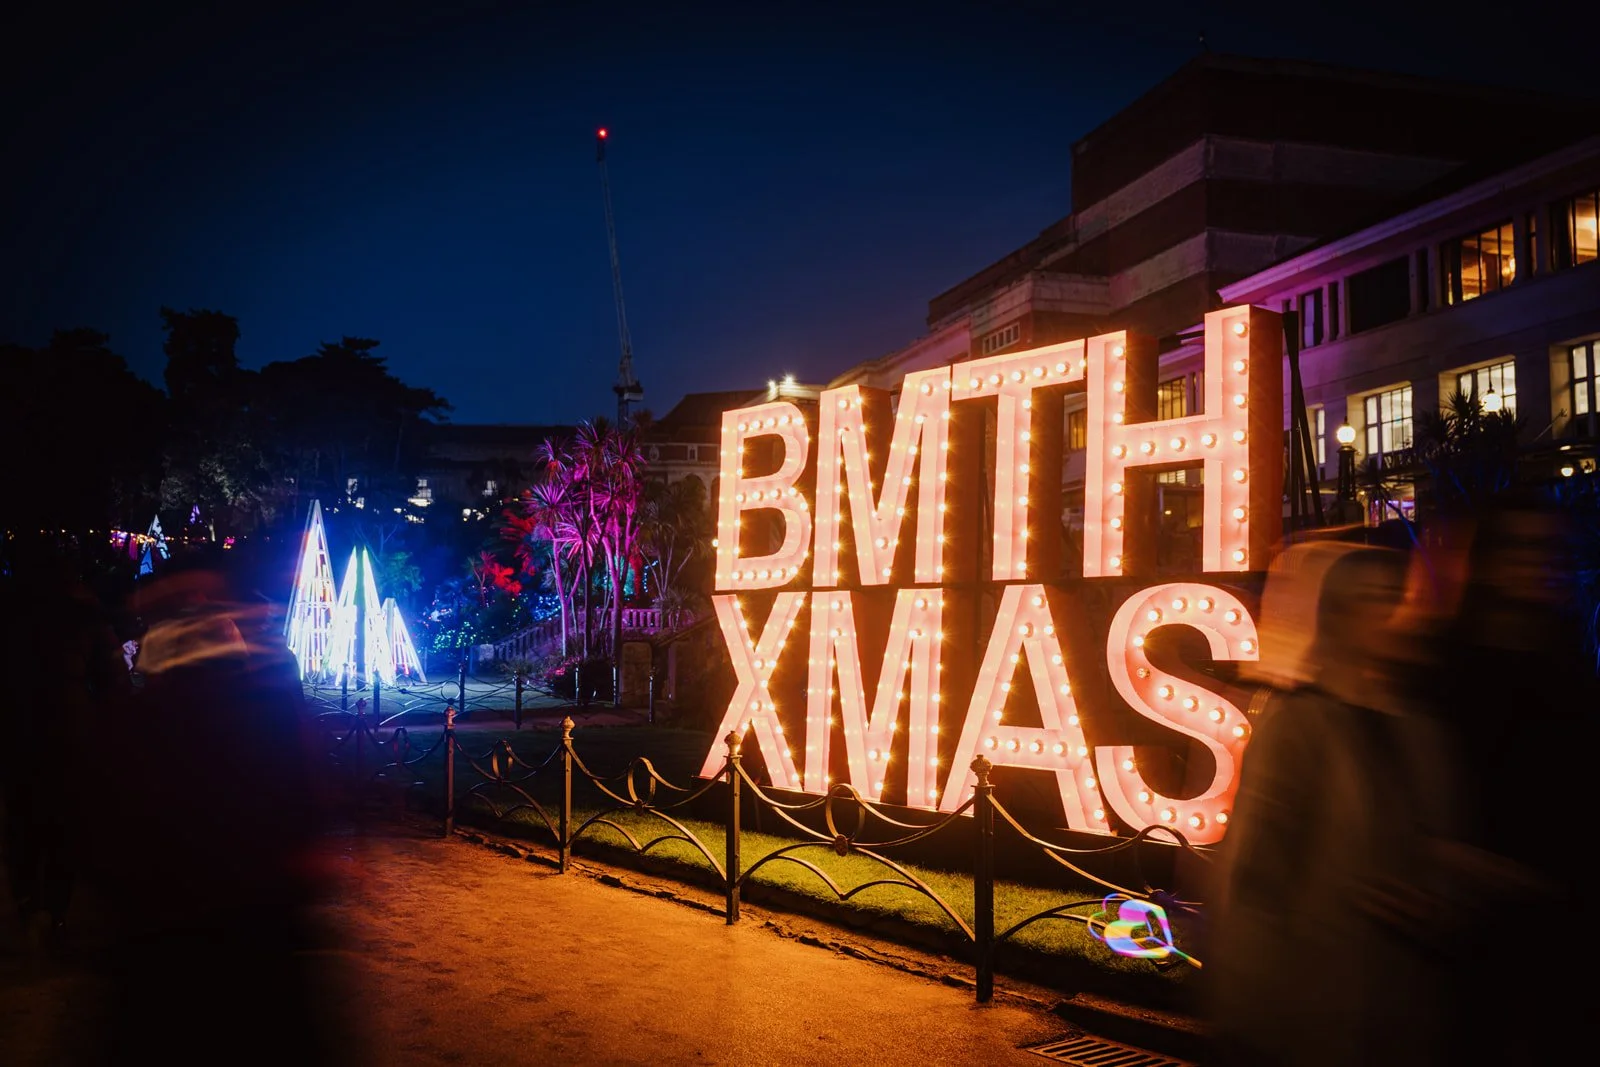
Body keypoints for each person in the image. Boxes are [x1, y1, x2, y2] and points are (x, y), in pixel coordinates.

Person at [1204, 540, 1458, 1067]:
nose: (1400, 613)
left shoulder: (1420, 726)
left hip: (1399, 1003)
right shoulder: (1301, 723)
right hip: (1315, 1005)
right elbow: (1259, 872)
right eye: (1379, 598)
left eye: (1403, 596)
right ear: (1339, 615)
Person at [0, 537, 130, 962]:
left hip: (18, 730)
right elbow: (114, 678)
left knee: (22, 818)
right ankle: (54, 912)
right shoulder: (84, 614)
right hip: (70, 729)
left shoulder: (10, 611)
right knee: (62, 823)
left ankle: (26, 901)